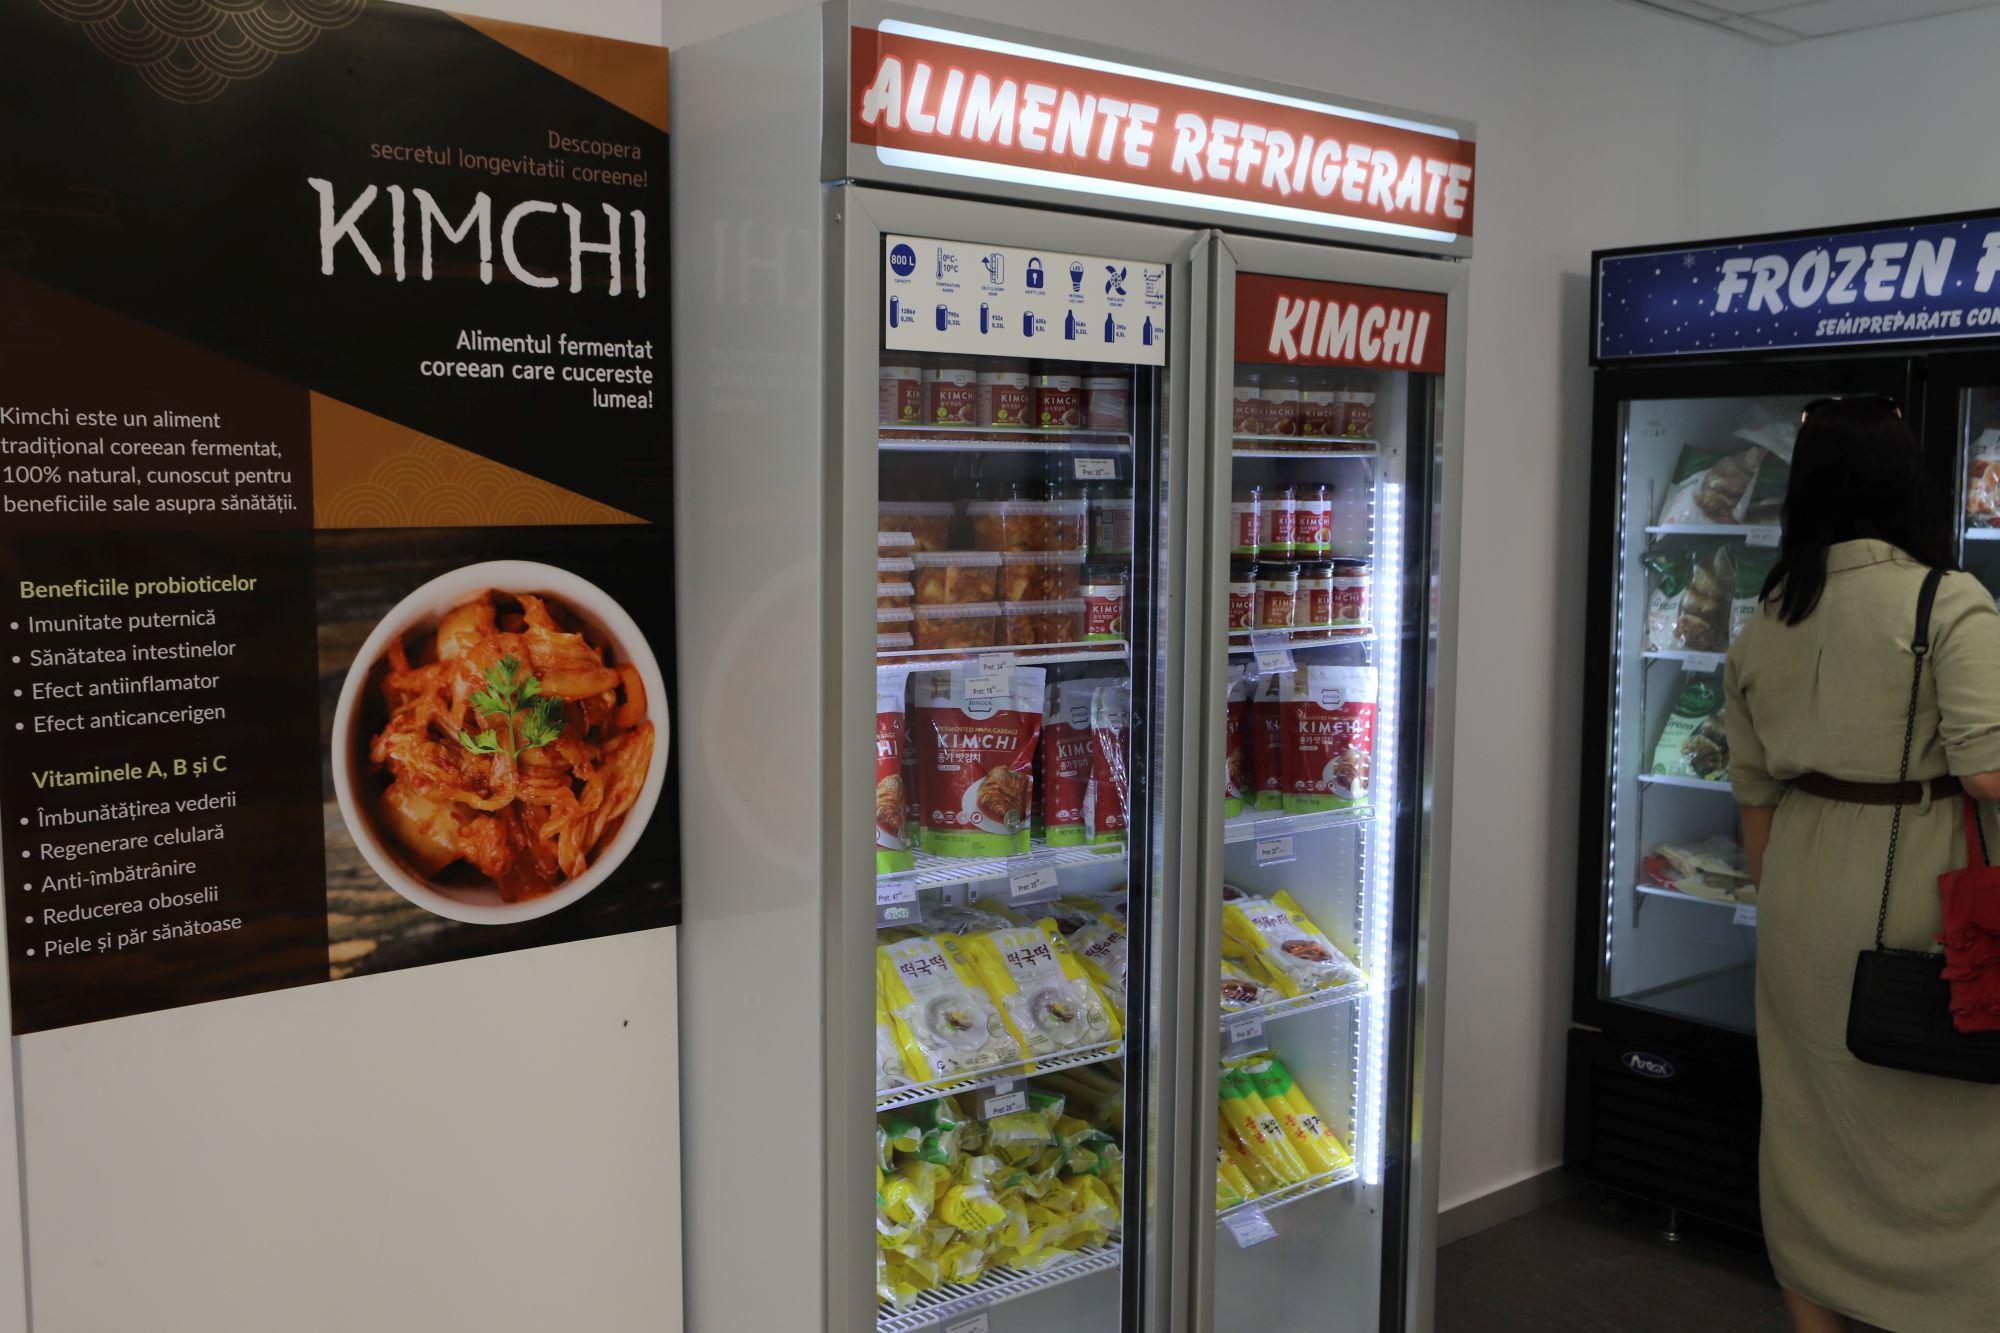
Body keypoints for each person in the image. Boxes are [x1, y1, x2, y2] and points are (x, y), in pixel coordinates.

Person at [1726, 395, 2000, 1333]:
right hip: (1919, 879)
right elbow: (1988, 770)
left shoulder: (1768, 617)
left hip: (1801, 889)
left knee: (1807, 1127)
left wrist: (1788, 903)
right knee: (1951, 1124)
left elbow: (1753, 796)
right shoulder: (1947, 600)